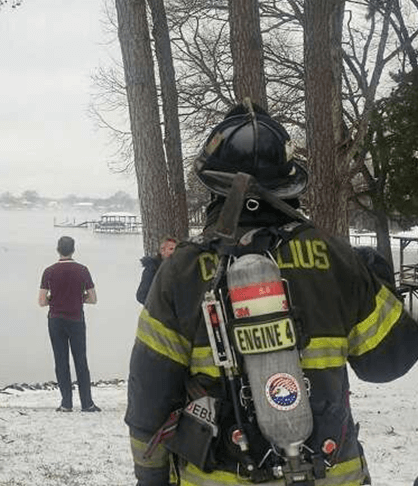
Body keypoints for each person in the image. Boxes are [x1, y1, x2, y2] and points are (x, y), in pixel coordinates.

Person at [125, 103, 418, 485]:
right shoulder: (335, 259)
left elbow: (149, 399)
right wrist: (376, 280)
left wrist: (150, 478)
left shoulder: (181, 271)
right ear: (290, 184)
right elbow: (388, 363)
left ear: (214, 187)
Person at [38, 235, 100, 412]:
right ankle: (87, 403)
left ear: (58, 249)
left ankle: (66, 403)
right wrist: (79, 298)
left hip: (56, 320)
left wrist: (54, 299)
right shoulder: (82, 270)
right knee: (81, 360)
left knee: (61, 360)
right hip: (76, 319)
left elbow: (42, 301)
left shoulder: (49, 271)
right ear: (73, 249)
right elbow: (93, 299)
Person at [136, 237, 178, 305]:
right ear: (162, 251)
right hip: (155, 314)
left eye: (176, 250)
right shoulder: (152, 269)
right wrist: (162, 305)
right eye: (171, 249)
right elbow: (141, 296)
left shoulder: (178, 268)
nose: (174, 252)